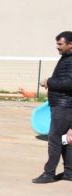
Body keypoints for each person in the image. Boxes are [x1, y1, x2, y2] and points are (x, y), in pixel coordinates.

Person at [33, 31, 72, 183]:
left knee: (54, 140)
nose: (57, 47)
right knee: (65, 140)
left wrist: (48, 82)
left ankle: (49, 173)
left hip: (63, 107)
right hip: (63, 105)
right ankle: (69, 172)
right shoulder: (66, 58)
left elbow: (69, 83)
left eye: (60, 44)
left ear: (70, 44)